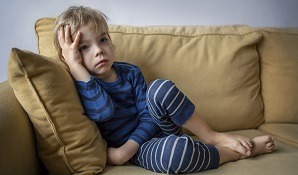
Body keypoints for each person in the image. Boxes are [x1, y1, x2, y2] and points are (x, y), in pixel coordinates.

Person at [54, 6, 275, 174]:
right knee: (175, 154)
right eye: (84, 47)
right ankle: (233, 154)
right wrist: (75, 67)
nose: (99, 51)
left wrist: (125, 151)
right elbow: (103, 112)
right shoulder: (82, 86)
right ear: (70, 55)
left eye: (103, 39)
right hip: (144, 152)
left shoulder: (130, 73)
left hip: (154, 130)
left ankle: (212, 137)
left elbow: (148, 116)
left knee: (160, 87)